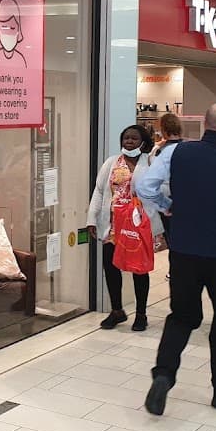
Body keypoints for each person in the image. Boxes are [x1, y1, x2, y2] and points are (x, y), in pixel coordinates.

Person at [137, 103, 216, 415]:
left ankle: (163, 374)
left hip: (185, 252)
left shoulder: (176, 153)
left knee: (182, 316)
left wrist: (167, 205)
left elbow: (144, 186)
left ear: (205, 124)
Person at [86, 124, 164, 331]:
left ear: (143, 143)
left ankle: (141, 314)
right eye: (126, 138)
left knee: (139, 269)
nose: (129, 142)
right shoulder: (111, 163)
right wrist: (92, 219)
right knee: (111, 268)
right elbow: (99, 192)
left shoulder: (149, 163)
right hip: (112, 226)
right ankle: (117, 310)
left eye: (134, 139)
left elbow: (158, 192)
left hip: (138, 226)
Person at [150, 113, 184, 279]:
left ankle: (176, 269)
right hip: (182, 198)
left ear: (163, 129)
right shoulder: (187, 148)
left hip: (164, 199)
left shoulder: (158, 151)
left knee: (171, 237)